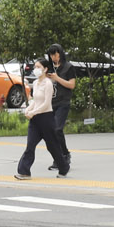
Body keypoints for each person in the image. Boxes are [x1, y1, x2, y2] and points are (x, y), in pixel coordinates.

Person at [13, 56, 68, 180]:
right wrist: (28, 109)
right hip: (35, 120)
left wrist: (34, 112)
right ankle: (24, 171)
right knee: (30, 145)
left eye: (38, 67)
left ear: (45, 69)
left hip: (46, 119)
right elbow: (35, 101)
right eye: (35, 67)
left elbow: (46, 104)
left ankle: (63, 167)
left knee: (52, 146)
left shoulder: (48, 84)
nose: (35, 69)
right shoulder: (36, 83)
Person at [44, 43, 79, 173]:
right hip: (50, 102)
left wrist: (57, 78)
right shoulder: (49, 67)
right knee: (51, 131)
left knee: (58, 129)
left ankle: (64, 155)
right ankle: (59, 158)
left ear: (61, 53)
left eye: (56, 54)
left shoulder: (68, 67)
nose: (54, 57)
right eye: (51, 55)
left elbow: (71, 85)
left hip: (63, 102)